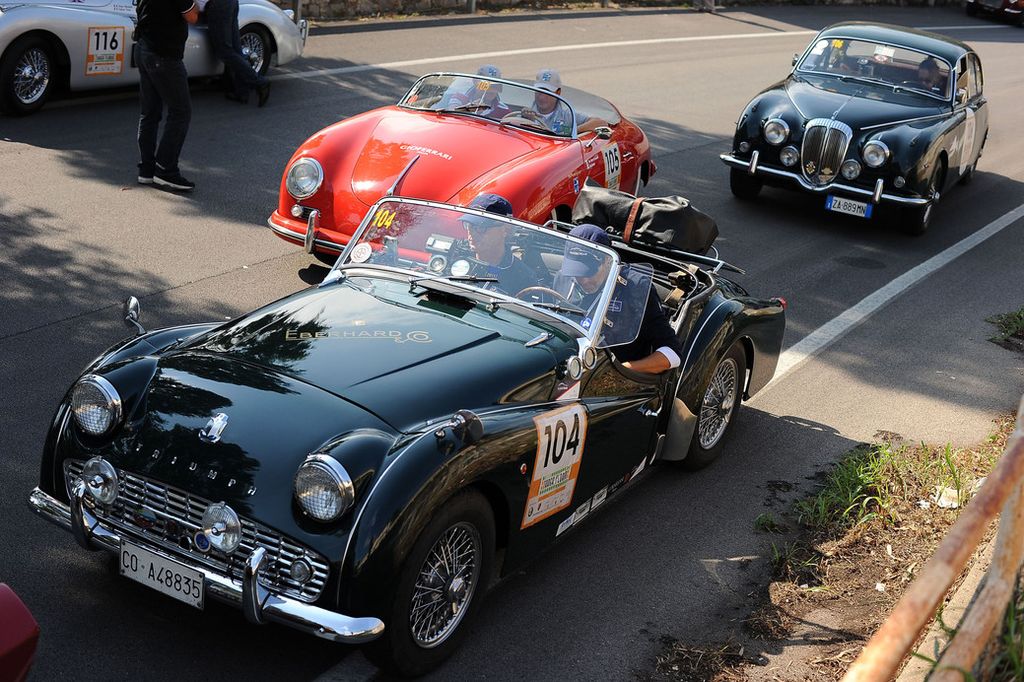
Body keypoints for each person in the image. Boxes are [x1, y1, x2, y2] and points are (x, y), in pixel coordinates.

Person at [560, 224, 682, 374]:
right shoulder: (564, 278)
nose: (582, 280)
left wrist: (619, 371)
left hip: (615, 375)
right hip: (569, 365)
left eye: (588, 272)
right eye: (575, 272)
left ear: (607, 261)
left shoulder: (636, 288)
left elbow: (672, 353)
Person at [135, 0, 199, 191]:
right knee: (181, 112)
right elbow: (192, 16)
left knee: (149, 113)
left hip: (145, 46)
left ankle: (147, 169)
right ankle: (165, 169)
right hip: (164, 54)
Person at [458, 194, 536, 297]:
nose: (471, 232)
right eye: (468, 225)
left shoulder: (523, 278)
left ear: (506, 229)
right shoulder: (454, 256)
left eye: (481, 227)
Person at [203, 0, 271, 106]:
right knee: (236, 49)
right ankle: (242, 92)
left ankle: (259, 82)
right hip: (230, 3)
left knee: (225, 51)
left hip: (217, 5)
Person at [520, 68, 608, 136]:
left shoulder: (567, 116)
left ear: (558, 92)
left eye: (547, 92)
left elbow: (601, 123)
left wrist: (574, 131)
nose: (542, 96)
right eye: (539, 91)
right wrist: (526, 121)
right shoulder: (523, 113)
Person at [441, 65, 510, 118]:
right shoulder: (460, 98)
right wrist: (469, 109)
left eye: (496, 86)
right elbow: (451, 113)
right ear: (475, 81)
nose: (491, 90)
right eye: (485, 85)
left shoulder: (503, 110)